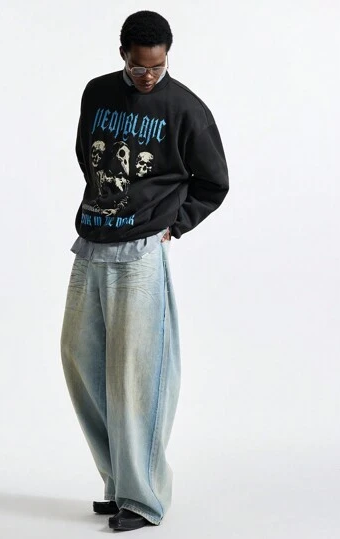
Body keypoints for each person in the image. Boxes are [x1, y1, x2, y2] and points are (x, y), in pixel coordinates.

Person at [60, 10, 229, 532]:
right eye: (139, 67)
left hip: (140, 253)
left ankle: (143, 498)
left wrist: (173, 223)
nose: (148, 76)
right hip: (92, 242)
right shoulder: (97, 92)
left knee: (137, 376)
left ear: (166, 57)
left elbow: (214, 182)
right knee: (81, 360)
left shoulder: (186, 109)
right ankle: (119, 482)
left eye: (157, 66)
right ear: (124, 56)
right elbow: (85, 155)